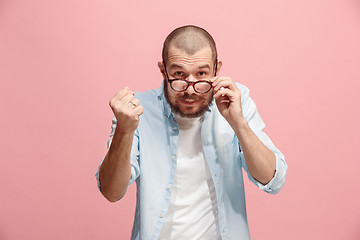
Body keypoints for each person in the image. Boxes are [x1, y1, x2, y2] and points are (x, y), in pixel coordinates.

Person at [95, 25, 287, 240]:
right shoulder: (136, 111)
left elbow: (273, 181)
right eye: (179, 74)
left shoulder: (236, 100)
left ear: (217, 69)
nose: (190, 88)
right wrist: (124, 131)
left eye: (202, 74)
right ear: (163, 70)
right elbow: (111, 192)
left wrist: (238, 122)